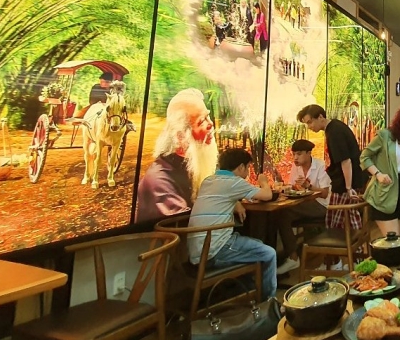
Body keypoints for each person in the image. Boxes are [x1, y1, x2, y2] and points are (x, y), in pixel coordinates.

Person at [188, 149, 277, 299]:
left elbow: (220, 196)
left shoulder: (208, 181)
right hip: (213, 252)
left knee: (257, 245)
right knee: (269, 254)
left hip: (198, 252)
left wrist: (236, 203)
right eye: (248, 168)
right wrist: (263, 181)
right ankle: (269, 302)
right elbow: (267, 195)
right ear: (241, 167)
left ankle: (249, 291)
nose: (247, 172)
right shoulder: (235, 182)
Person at [136, 89, 217, 221]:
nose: (211, 124)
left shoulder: (192, 164)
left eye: (208, 116)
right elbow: (187, 226)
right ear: (181, 136)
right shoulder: (158, 183)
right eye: (202, 121)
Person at [361, 101, 400, 235]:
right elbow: (364, 157)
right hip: (385, 190)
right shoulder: (385, 135)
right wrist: (378, 174)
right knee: (393, 240)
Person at [297, 104, 365, 228]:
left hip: (345, 184)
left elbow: (346, 161)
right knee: (341, 222)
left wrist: (348, 187)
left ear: (320, 117)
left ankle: (349, 241)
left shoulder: (335, 131)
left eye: (310, 122)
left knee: (341, 224)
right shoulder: (333, 128)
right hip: (344, 182)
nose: (309, 127)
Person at [274, 139, 332, 273]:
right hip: (304, 204)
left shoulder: (321, 166)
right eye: (294, 154)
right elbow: (293, 187)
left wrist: (308, 186)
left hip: (322, 205)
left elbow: (324, 194)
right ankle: (291, 256)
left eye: (299, 154)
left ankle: (293, 258)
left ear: (308, 153)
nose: (295, 158)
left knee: (283, 214)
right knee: (280, 214)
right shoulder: (296, 167)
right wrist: (281, 181)